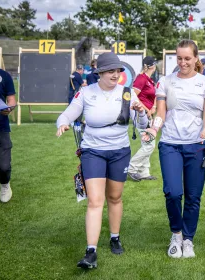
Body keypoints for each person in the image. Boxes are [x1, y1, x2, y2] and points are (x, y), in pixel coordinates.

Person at [56, 52, 148, 269]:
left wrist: (140, 111)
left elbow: (143, 124)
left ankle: (114, 237)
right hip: (93, 151)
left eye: (117, 70)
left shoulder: (128, 94)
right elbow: (67, 113)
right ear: (100, 73)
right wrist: (63, 123)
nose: (115, 74)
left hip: (119, 151)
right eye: (110, 71)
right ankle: (91, 252)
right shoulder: (86, 92)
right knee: (95, 200)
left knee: (114, 197)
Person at [142, 40, 205, 258]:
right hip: (170, 145)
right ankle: (176, 234)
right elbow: (161, 113)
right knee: (173, 193)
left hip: (196, 146)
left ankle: (188, 239)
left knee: (193, 196)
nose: (183, 62)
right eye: (180, 58)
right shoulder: (165, 81)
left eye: (187, 58)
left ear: (196, 59)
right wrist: (154, 130)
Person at [127, 56, 158, 182]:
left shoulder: (148, 79)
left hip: (147, 113)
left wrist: (152, 107)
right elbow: (133, 97)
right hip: (141, 114)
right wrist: (146, 109)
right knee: (149, 144)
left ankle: (144, 172)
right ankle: (131, 168)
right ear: (152, 66)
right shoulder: (141, 78)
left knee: (148, 142)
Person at [0, 67, 16, 203]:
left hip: (0, 127)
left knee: (3, 166)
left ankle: (5, 185)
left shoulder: (3, 75)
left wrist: (9, 108)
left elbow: (11, 100)